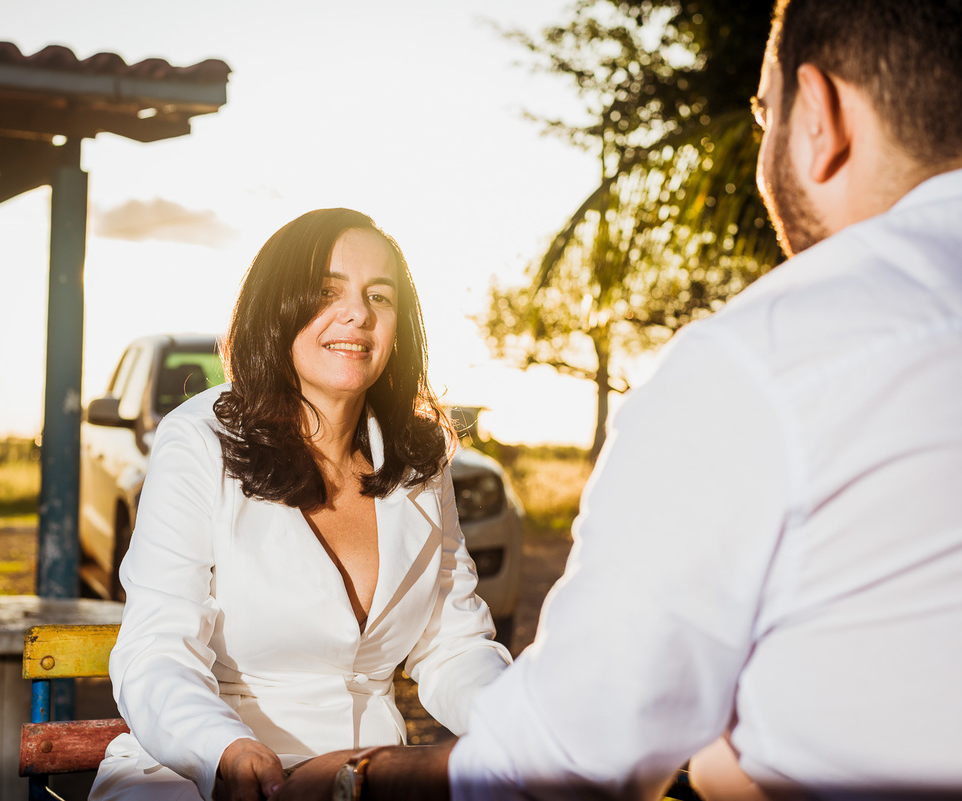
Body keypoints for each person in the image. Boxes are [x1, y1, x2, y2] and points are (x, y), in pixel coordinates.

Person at [272, 0, 962, 799]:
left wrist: (361, 778)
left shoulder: (764, 361)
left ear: (819, 114)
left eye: (763, 111)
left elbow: (564, 758)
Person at [89, 208, 512, 801]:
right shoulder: (197, 439)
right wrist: (226, 751)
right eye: (325, 292)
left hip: (357, 778)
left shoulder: (421, 456)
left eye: (379, 296)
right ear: (275, 306)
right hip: (198, 773)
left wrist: (520, 733)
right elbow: (155, 651)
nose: (358, 313)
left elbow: (454, 644)